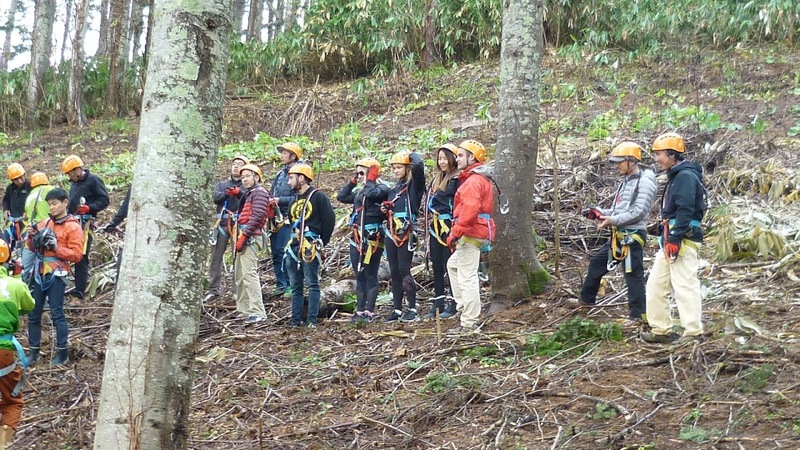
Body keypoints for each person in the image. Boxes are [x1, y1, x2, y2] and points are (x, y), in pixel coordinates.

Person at [578, 142, 656, 325]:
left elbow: (638, 212)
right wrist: (599, 213)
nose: (617, 166)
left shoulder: (644, 182)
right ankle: (586, 301)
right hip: (619, 235)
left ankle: (638, 315)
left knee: (632, 274)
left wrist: (611, 220)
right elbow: (617, 209)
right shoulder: (627, 182)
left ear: (631, 161)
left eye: (620, 162)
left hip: (632, 235)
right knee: (597, 263)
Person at [641, 133, 706, 344]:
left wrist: (676, 239)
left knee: (684, 284)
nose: (657, 159)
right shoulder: (677, 176)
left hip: (682, 239)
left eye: (660, 155)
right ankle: (661, 330)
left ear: (672, 154)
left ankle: (693, 332)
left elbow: (686, 210)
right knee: (656, 285)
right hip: (671, 238)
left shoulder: (685, 176)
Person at [26, 188, 84, 366]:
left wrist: (56, 247)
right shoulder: (44, 224)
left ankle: (62, 353)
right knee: (33, 314)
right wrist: (31, 237)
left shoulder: (73, 227)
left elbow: (77, 255)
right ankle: (33, 353)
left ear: (65, 203)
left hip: (57, 273)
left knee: (57, 313)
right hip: (39, 272)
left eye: (54, 203)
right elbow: (31, 248)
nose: (51, 207)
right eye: (49, 204)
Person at [446, 140, 495, 335]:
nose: (456, 159)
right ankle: (464, 308)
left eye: (460, 155)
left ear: (472, 157)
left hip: (471, 233)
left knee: (467, 276)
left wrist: (455, 233)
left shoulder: (473, 182)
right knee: (453, 265)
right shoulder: (479, 179)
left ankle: (469, 322)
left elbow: (469, 211)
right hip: (478, 232)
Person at [338, 157, 390, 324]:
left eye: (362, 172)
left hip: (373, 236)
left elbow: (371, 193)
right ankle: (359, 310)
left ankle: (369, 310)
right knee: (359, 273)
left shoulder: (381, 188)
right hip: (357, 237)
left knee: (370, 273)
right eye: (357, 172)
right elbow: (342, 196)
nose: (359, 175)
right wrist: (354, 180)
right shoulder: (360, 191)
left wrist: (370, 179)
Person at [284, 164, 335, 328]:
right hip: (294, 245)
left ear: (302, 178)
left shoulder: (318, 197)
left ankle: (311, 320)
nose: (288, 182)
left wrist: (321, 242)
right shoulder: (294, 200)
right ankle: (295, 320)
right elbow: (292, 222)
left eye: (291, 178)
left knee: (312, 283)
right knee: (296, 285)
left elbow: (329, 220)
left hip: (310, 245)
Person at [381, 150, 425, 323]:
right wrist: (385, 210)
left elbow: (419, 166)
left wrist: (411, 154)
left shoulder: (413, 187)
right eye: (393, 168)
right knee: (394, 271)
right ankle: (397, 309)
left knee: (404, 269)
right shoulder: (393, 189)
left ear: (407, 168)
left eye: (399, 167)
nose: (396, 171)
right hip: (391, 232)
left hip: (405, 231)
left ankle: (412, 308)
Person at [0, 239, 34, 448]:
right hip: (3, 351)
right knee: (12, 401)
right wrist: (18, 278)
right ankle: (2, 443)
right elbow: (28, 306)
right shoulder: (15, 285)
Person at [62, 155, 109, 300]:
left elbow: (104, 199)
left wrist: (90, 208)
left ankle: (80, 290)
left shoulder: (93, 180)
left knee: (81, 255)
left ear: (78, 169)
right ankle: (73, 284)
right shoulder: (74, 184)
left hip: (85, 224)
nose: (70, 176)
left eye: (71, 173)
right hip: (73, 222)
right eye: (68, 174)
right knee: (70, 253)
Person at [203, 155, 249, 302]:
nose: (236, 166)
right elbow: (215, 197)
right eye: (234, 164)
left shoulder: (246, 185)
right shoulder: (222, 185)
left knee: (237, 257)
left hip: (238, 224)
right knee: (216, 256)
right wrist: (226, 194)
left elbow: (249, 199)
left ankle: (237, 290)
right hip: (223, 222)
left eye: (239, 164)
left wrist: (239, 193)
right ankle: (213, 289)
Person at [423, 144, 461, 320]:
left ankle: (455, 301)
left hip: (448, 224)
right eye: (440, 159)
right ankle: (438, 301)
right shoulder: (436, 179)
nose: (442, 162)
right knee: (436, 264)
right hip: (435, 225)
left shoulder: (456, 180)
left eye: (445, 158)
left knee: (450, 263)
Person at [234, 164, 270, 324]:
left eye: (248, 176)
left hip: (251, 237)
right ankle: (244, 310)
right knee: (240, 276)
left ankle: (257, 311)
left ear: (256, 177)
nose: (245, 179)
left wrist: (244, 236)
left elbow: (258, 215)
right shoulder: (250, 194)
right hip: (243, 234)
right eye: (243, 177)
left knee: (249, 275)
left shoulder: (260, 193)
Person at [268, 142, 302, 298]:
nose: (281, 155)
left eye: (284, 152)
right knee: (276, 252)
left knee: (285, 251)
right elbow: (272, 192)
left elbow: (299, 198)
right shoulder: (280, 174)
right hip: (275, 218)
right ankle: (280, 284)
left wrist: (279, 200)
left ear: (293, 155)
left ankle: (290, 284)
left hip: (289, 219)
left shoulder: (300, 174)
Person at [21, 172, 54, 282]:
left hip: (32, 233)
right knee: (51, 262)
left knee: (25, 266)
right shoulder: (51, 190)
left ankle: (23, 286)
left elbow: (26, 216)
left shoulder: (29, 197)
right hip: (49, 230)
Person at [97, 186, 131, 282]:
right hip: (137, 236)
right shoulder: (137, 184)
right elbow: (126, 207)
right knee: (123, 262)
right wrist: (113, 223)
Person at [2, 163, 31, 252]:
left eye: (21, 177)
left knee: (25, 245)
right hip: (12, 222)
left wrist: (28, 211)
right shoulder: (10, 189)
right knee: (5, 242)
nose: (19, 181)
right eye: (16, 179)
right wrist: (6, 209)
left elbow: (34, 201)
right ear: (12, 180)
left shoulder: (30, 186)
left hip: (25, 222)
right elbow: (6, 200)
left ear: (24, 175)